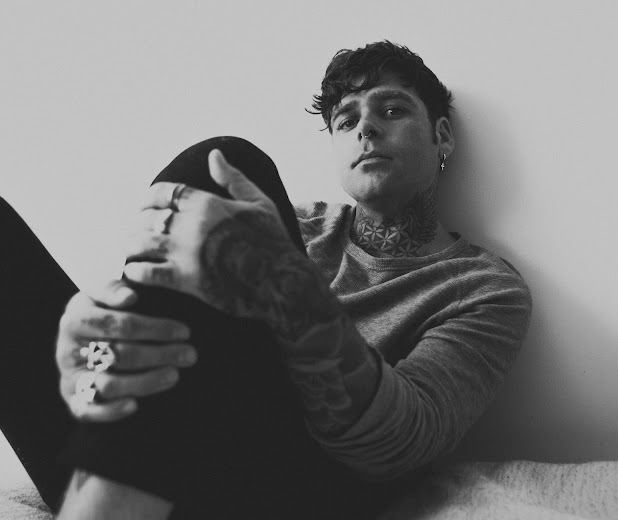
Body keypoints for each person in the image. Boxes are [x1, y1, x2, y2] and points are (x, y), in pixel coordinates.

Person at [0, 41, 532, 519]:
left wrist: (288, 289)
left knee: (225, 165)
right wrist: (94, 357)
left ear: (442, 136)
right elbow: (144, 342)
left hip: (284, 485)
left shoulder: (483, 287)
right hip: (148, 455)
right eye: (346, 121)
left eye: (392, 110)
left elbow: (402, 442)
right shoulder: (291, 225)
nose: (365, 129)